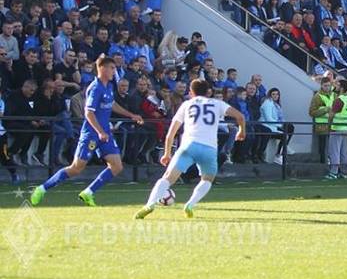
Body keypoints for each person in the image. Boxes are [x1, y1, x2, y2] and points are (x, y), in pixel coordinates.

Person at [30, 56, 145, 207]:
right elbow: (88, 113)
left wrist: (131, 115)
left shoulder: (109, 86)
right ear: (102, 68)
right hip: (92, 133)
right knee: (76, 168)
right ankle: (42, 188)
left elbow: (112, 104)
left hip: (104, 134)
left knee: (117, 166)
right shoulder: (95, 88)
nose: (114, 71)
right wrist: (99, 132)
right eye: (112, 68)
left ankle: (88, 192)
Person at [134, 79, 245, 219]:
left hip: (189, 145)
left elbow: (171, 133)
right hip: (209, 149)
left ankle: (149, 205)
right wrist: (242, 131)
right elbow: (240, 117)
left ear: (191, 93)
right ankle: (190, 204)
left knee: (167, 178)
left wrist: (167, 153)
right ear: (208, 92)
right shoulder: (217, 104)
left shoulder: (187, 104)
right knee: (207, 180)